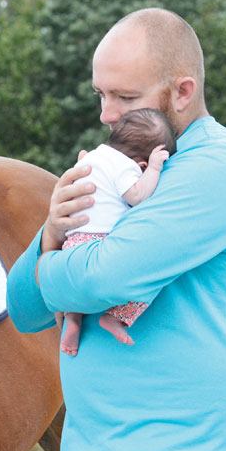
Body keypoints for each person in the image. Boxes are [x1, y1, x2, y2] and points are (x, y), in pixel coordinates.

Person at [5, 8, 226, 451]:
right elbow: (22, 307)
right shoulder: (125, 171)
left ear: (182, 91)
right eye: (100, 94)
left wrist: (52, 256)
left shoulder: (214, 173)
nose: (107, 114)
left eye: (125, 98)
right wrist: (54, 233)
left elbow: (101, 280)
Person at [59, 108, 175, 356]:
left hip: (71, 245)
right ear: (140, 163)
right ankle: (116, 317)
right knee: (150, 276)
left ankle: (73, 318)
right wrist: (154, 170)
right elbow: (137, 197)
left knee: (77, 288)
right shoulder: (127, 167)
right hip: (101, 244)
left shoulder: (92, 157)